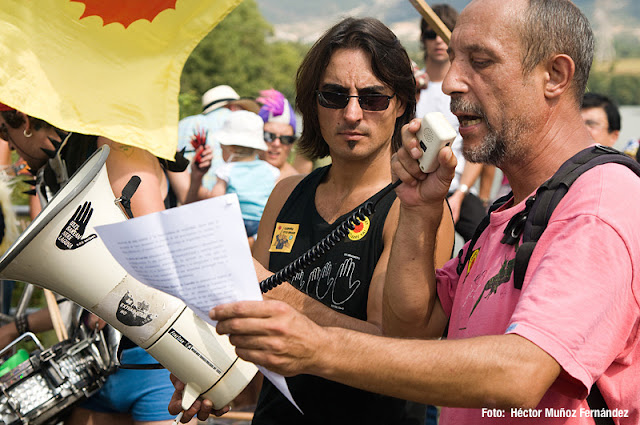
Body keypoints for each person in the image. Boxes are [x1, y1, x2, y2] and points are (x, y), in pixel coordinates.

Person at [175, 1, 640, 424]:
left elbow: (520, 375)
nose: (452, 81)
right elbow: (411, 329)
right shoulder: (509, 213)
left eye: (479, 62)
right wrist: (420, 209)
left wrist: (314, 343)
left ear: (555, 76)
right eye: (454, 60)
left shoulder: (597, 204)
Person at [170, 16, 455, 425]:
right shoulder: (286, 193)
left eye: (373, 98)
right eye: (334, 96)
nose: (352, 113)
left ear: (402, 107)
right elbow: (250, 322)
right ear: (312, 105)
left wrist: (278, 294)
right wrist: (209, 369)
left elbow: (394, 345)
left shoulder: (413, 209)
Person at [0, 104, 195, 425]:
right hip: (98, 365)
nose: (9, 146)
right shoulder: (58, 165)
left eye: (4, 133)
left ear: (24, 121)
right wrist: (16, 328)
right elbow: (77, 305)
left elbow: (159, 255)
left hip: (158, 364)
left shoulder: (116, 148)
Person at [415, 4, 494, 241]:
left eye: (445, 32)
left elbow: (477, 147)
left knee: (488, 241)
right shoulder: (412, 88)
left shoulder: (468, 90)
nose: (438, 40)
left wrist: (460, 195)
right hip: (416, 187)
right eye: (431, 34)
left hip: (458, 188)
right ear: (423, 40)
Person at [186, 110, 279, 240]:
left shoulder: (226, 171)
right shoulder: (271, 171)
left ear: (232, 149)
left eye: (222, 148)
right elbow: (276, 199)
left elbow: (215, 200)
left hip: (237, 222)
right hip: (262, 224)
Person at [169, 85, 260, 204]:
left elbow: (185, 197)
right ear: (233, 107)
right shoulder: (241, 127)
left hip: (193, 206)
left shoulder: (183, 125)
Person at [256, 89, 310, 182]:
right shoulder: (235, 172)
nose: (276, 144)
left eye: (286, 139)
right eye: (269, 136)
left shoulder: (296, 184)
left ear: (292, 143)